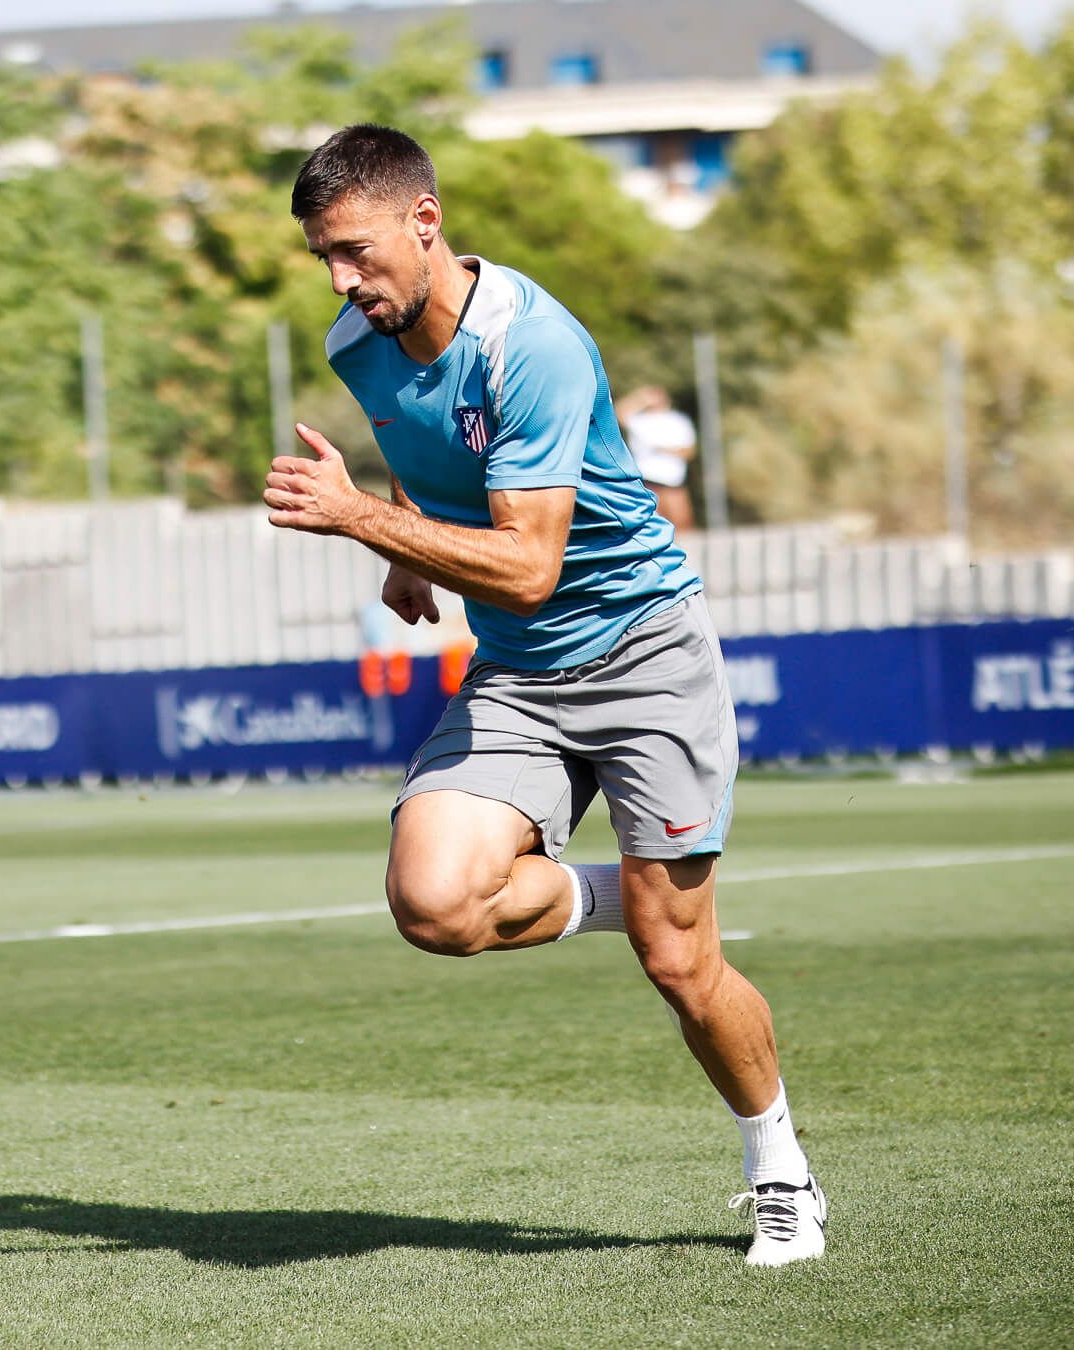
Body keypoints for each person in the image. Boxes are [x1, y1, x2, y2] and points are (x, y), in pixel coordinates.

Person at [263, 126, 825, 1267]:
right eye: (323, 257)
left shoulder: (539, 347)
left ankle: (780, 1170)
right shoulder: (355, 342)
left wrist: (366, 518)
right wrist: (412, 545)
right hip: (521, 672)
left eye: (357, 252)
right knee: (434, 903)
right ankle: (642, 894)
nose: (340, 281)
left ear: (426, 220)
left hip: (641, 655)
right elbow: (435, 456)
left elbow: (528, 565)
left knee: (681, 966)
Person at [615, 385, 697, 530]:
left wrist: (665, 450)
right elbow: (618, 413)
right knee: (651, 525)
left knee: (682, 523)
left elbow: (689, 451)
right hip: (647, 481)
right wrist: (640, 398)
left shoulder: (678, 420)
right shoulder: (639, 420)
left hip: (672, 481)